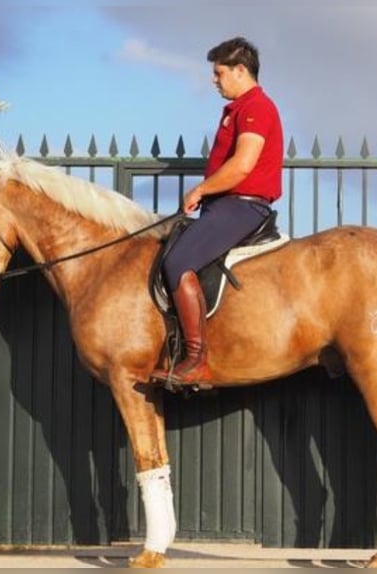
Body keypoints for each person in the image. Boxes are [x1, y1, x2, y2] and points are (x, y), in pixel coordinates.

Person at [151, 37, 284, 387]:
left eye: (219, 73)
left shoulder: (256, 107)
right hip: (226, 205)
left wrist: (200, 189)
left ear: (240, 71)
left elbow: (242, 166)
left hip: (243, 206)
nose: (214, 80)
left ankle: (196, 360)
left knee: (177, 263)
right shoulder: (240, 108)